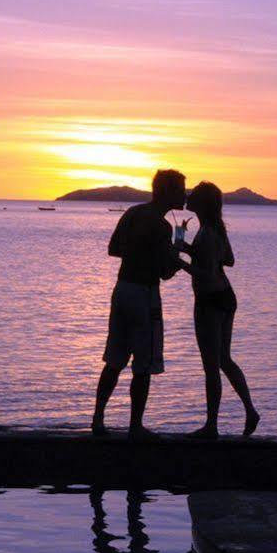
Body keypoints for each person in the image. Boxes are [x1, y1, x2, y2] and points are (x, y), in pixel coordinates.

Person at [93, 168, 186, 438]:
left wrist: (136, 254)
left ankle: (97, 420)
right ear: (167, 192)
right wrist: (178, 250)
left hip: (122, 289)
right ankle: (135, 426)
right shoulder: (162, 226)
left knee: (114, 359)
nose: (184, 195)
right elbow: (165, 273)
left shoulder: (133, 213)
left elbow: (114, 249)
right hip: (145, 294)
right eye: (180, 190)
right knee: (143, 364)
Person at [181, 181, 260, 438]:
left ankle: (211, 426)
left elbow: (204, 272)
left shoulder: (207, 232)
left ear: (202, 203)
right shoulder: (214, 229)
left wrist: (179, 261)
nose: (188, 197)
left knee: (211, 366)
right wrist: (189, 249)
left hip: (210, 300)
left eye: (193, 195)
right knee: (224, 359)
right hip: (226, 297)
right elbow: (228, 260)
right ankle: (250, 410)